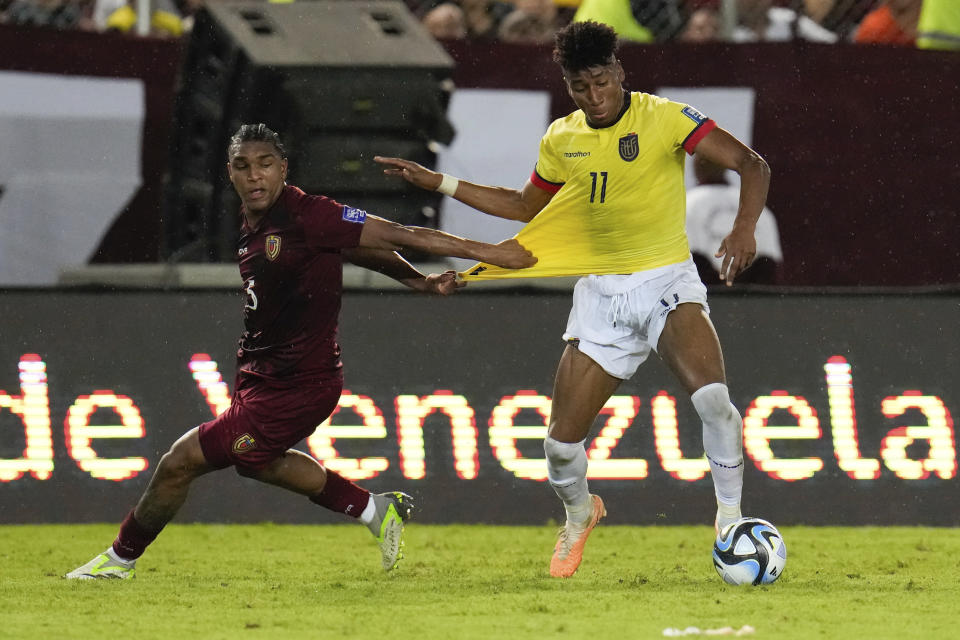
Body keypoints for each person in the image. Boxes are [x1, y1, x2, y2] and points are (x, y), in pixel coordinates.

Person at [375, 20, 770, 578]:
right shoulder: (563, 138)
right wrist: (438, 182)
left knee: (712, 399)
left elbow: (753, 165)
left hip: (666, 282)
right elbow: (521, 206)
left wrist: (743, 227)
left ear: (619, 72)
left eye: (602, 81)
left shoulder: (666, 118)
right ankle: (581, 514)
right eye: (581, 87)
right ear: (567, 85)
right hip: (602, 296)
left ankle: (730, 521)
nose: (595, 95)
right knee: (560, 448)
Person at [65, 124, 535, 580]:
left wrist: (490, 252)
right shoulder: (253, 227)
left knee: (178, 463)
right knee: (257, 462)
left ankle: (118, 561)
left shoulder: (309, 214)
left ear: (283, 168)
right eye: (243, 166)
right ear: (230, 174)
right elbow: (360, 251)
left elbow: (394, 233)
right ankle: (374, 509)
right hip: (259, 377)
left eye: (265, 164)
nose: (255, 176)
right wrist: (417, 281)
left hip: (301, 384)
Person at [686, 154, 782, 285]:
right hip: (750, 294)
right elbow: (770, 265)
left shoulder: (687, 204)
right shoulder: (759, 208)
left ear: (695, 169)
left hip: (706, 293)